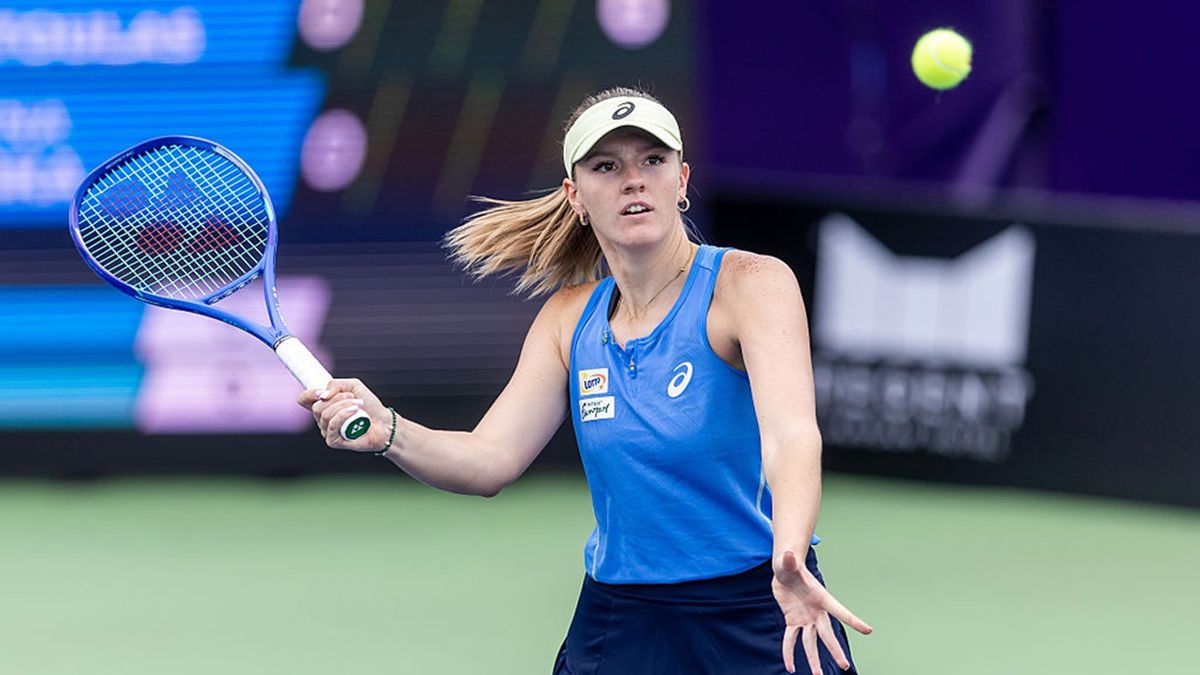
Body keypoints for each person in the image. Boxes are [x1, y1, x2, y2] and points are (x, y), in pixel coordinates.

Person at [297, 86, 872, 675]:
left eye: (653, 160)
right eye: (606, 166)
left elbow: (791, 436)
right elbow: (488, 461)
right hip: (623, 620)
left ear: (681, 180)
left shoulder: (751, 284)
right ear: (575, 195)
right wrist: (390, 431)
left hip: (763, 601)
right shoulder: (568, 319)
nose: (634, 181)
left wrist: (789, 554)